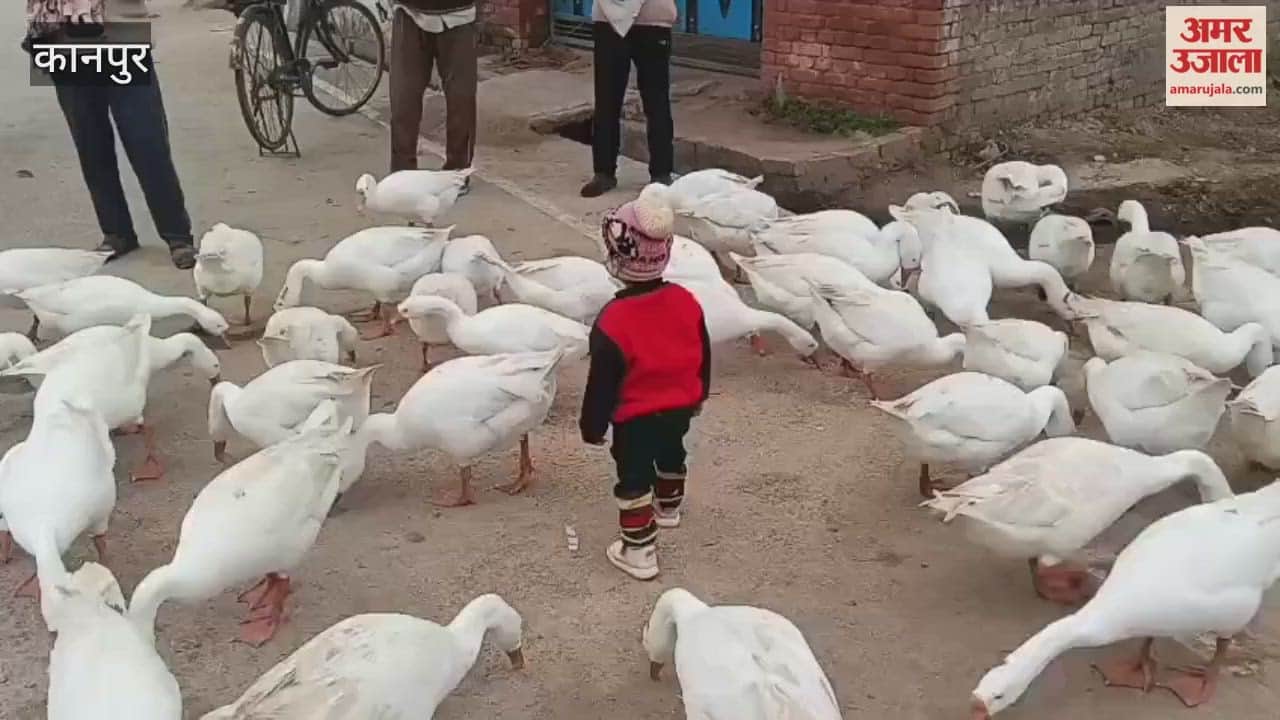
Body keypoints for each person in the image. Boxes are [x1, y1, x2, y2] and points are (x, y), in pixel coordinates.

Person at [579, 184, 711, 580]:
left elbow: (602, 385)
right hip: (681, 405)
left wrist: (592, 426)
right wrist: (699, 394)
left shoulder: (612, 322)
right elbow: (702, 353)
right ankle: (668, 507)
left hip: (636, 418)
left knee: (633, 475)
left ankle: (639, 550)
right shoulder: (686, 301)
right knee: (672, 452)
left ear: (616, 253)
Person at [25, 0, 198, 269]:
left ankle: (178, 236)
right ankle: (117, 233)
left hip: (121, 34)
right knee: (90, 143)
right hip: (62, 38)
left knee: (147, 141)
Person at [580, 0, 678, 198]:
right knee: (607, 98)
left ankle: (661, 173)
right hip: (608, 19)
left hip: (653, 18)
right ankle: (603, 172)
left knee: (656, 100)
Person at [388, 0, 476, 177]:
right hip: (408, 13)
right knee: (403, 98)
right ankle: (402, 173)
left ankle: (457, 171)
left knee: (461, 99)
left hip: (459, 17)